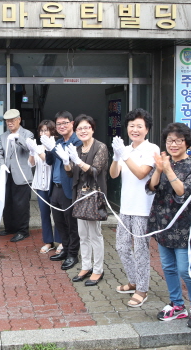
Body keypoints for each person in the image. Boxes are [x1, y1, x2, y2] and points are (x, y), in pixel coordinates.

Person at [146, 123, 191, 328]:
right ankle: (177, 304)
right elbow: (152, 187)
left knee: (185, 269)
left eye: (178, 140)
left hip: (184, 226)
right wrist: (158, 169)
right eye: (170, 140)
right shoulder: (164, 162)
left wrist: (168, 170)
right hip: (163, 223)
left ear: (186, 143)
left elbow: (183, 192)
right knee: (168, 267)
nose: (173, 144)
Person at [110, 108, 159, 307]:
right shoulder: (126, 150)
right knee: (122, 247)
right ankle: (133, 281)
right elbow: (114, 174)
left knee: (140, 250)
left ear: (147, 129)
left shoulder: (152, 149)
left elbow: (141, 174)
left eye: (139, 126)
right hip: (126, 207)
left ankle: (142, 289)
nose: (135, 130)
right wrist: (116, 157)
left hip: (142, 209)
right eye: (131, 126)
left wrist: (124, 155)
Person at [65, 114, 108, 286]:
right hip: (79, 196)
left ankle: (98, 270)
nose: (83, 131)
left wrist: (78, 162)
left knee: (95, 235)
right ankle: (86, 266)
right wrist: (66, 162)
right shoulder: (77, 149)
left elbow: (96, 170)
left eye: (86, 127)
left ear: (92, 129)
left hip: (93, 196)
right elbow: (71, 173)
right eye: (80, 128)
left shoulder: (100, 147)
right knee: (82, 234)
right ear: (76, 131)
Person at [43, 111, 83, 271]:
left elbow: (71, 164)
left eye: (65, 123)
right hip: (56, 188)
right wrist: (48, 149)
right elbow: (49, 161)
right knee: (59, 222)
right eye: (58, 124)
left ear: (72, 123)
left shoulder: (77, 142)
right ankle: (65, 249)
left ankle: (73, 254)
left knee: (72, 224)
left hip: (69, 188)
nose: (61, 126)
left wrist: (54, 149)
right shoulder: (58, 141)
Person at [0, 109, 35, 243]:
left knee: (21, 205)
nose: (10, 123)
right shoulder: (3, 136)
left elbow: (29, 149)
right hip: (7, 175)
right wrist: (2, 164)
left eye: (12, 120)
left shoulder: (27, 134)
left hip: (22, 175)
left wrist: (17, 138)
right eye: (7, 121)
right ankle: (10, 228)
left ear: (19, 120)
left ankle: (22, 231)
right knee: (8, 203)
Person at [26, 120, 62, 254]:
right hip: (40, 186)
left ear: (52, 131)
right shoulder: (38, 147)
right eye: (41, 131)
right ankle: (48, 241)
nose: (43, 133)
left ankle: (61, 241)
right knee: (44, 214)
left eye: (46, 130)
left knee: (58, 214)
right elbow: (31, 164)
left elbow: (48, 162)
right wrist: (32, 151)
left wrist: (37, 150)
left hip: (53, 185)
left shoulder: (56, 146)